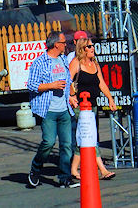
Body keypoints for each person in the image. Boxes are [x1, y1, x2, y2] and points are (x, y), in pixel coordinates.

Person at [27, 30, 79, 189]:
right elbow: (32, 85)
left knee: (67, 145)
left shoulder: (63, 59)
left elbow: (68, 80)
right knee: (48, 142)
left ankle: (65, 177)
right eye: (63, 43)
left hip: (64, 109)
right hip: (48, 110)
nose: (65, 45)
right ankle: (35, 169)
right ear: (56, 44)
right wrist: (52, 85)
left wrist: (71, 96)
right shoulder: (39, 62)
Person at [69, 37, 117, 181]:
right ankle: (102, 169)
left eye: (92, 46)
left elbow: (101, 82)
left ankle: (73, 169)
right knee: (88, 135)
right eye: (89, 46)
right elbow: (67, 81)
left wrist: (110, 99)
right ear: (82, 49)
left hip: (93, 105)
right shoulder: (76, 63)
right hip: (80, 106)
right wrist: (72, 96)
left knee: (85, 137)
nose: (92, 48)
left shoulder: (94, 63)